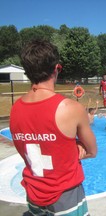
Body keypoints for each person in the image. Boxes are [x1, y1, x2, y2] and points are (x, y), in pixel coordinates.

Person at [9, 40, 97, 215]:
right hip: (66, 196)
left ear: (27, 72)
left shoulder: (15, 109)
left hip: (33, 192)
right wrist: (76, 146)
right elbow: (92, 151)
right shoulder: (70, 108)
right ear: (57, 68)